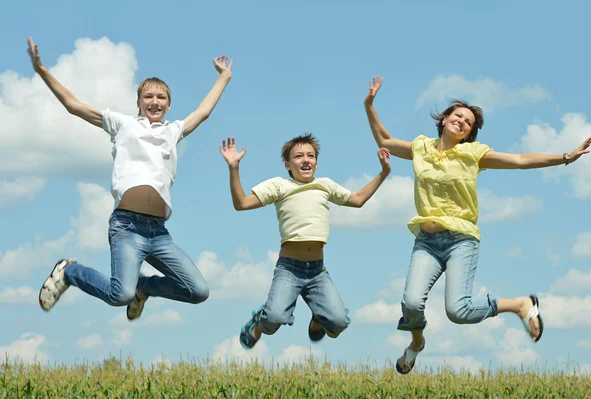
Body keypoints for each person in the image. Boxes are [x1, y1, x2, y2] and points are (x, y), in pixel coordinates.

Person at [364, 75, 591, 374]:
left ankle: (520, 304)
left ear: (469, 133)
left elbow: (521, 159)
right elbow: (384, 139)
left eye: (468, 122)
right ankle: (416, 343)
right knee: (410, 303)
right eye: (458, 115)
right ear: (444, 119)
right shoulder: (421, 148)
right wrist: (369, 105)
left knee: (457, 311)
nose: (462, 121)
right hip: (427, 241)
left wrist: (565, 157)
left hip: (461, 240)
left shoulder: (473, 155)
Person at [30, 36, 233, 320]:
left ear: (169, 105)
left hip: (159, 232)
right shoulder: (122, 124)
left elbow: (204, 111)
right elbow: (74, 105)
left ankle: (145, 287)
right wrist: (42, 70)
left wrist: (224, 76)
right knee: (119, 295)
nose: (154, 102)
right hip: (127, 228)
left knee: (198, 290)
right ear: (138, 101)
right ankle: (70, 271)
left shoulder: (172, 131)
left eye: (161, 97)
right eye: (148, 97)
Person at [219, 134, 391, 348]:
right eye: (299, 156)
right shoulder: (280, 186)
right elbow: (242, 203)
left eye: (311, 156)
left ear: (317, 164)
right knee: (273, 320)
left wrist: (383, 173)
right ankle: (257, 323)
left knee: (338, 324)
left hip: (317, 271)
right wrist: (234, 168)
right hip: (289, 270)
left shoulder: (324, 185)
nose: (306, 160)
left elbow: (357, 200)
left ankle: (319, 316)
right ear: (288, 165)